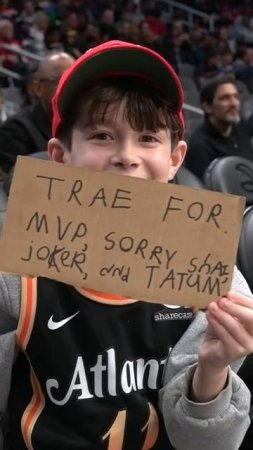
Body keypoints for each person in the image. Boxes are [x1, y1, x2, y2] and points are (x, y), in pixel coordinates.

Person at [0, 40, 253, 450]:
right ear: (60, 156)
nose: (126, 156)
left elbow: (208, 444)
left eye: (148, 138)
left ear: (176, 159)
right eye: (102, 134)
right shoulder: (14, 274)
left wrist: (212, 371)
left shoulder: (213, 279)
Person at [0, 51, 75, 175]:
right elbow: (17, 184)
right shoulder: (15, 129)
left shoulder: (86, 125)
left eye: (73, 79)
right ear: (38, 88)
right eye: (60, 80)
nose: (70, 88)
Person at [185, 77, 253, 180]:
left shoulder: (241, 126)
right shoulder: (200, 146)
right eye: (225, 98)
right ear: (208, 107)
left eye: (236, 97)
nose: (234, 103)